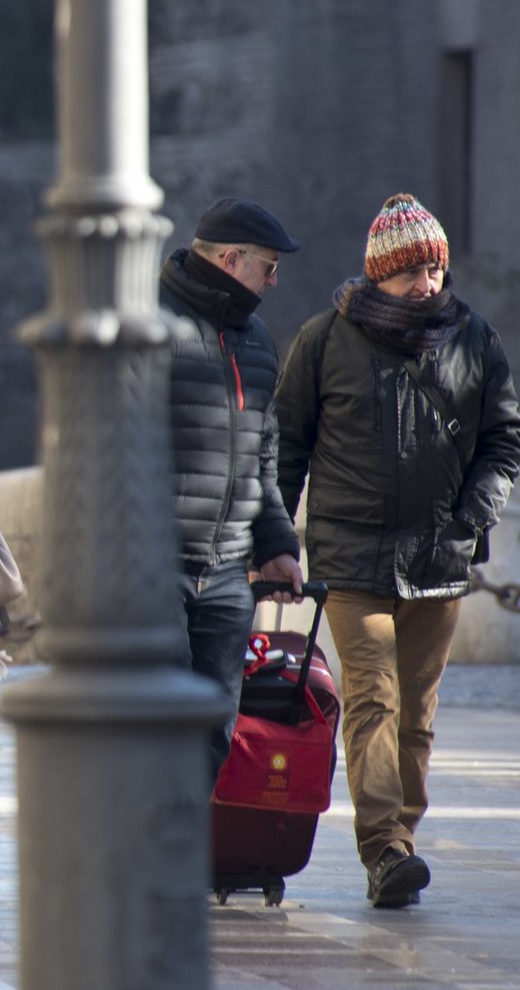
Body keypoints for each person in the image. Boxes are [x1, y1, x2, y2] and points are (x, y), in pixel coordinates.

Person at [275, 193, 520, 909]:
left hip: (439, 562)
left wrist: (472, 518)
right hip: (351, 559)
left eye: (434, 269)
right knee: (372, 699)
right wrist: (267, 544)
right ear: (378, 274)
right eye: (411, 270)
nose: (426, 284)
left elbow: (503, 442)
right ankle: (383, 847)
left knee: (416, 715)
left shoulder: (475, 341)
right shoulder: (323, 340)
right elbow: (286, 447)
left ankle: (399, 840)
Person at [158, 198, 305, 786]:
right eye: (267, 267)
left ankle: (176, 857)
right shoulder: (150, 325)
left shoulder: (259, 341)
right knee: (164, 718)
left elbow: (262, 454)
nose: (273, 281)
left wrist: (276, 543)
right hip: (155, 561)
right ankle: (151, 866)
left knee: (214, 728)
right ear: (229, 258)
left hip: (226, 571)